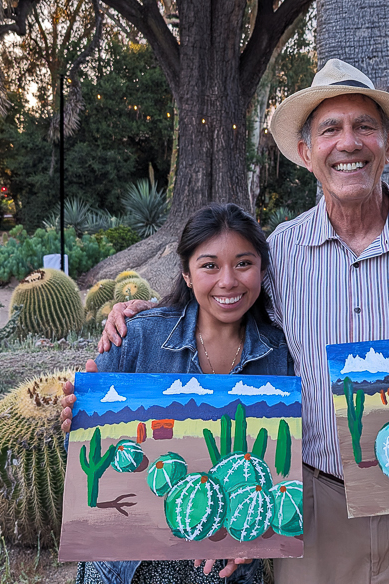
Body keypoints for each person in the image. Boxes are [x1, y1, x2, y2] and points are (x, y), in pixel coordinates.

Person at [98, 59, 389, 583]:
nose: (347, 143)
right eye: (330, 129)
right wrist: (147, 314)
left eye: (364, 127)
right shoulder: (281, 251)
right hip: (313, 507)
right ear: (307, 153)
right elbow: (227, 309)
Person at [60, 203, 294, 584]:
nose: (228, 281)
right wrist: (76, 422)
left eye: (243, 263)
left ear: (262, 271)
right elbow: (85, 453)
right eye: (209, 266)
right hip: (127, 567)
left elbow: (274, 480)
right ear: (186, 273)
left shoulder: (281, 355)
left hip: (223, 571)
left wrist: (255, 535)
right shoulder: (135, 335)